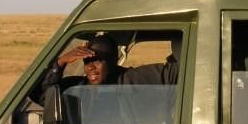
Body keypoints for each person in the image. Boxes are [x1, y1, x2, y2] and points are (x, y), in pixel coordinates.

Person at [45, 35, 180, 90]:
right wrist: (60, 62)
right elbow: (44, 97)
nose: (90, 67)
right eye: (87, 61)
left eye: (98, 61)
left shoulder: (132, 78)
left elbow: (176, 72)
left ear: (113, 61)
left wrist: (178, 50)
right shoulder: (77, 87)